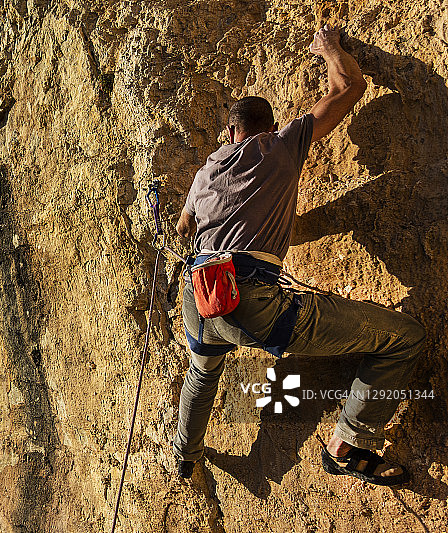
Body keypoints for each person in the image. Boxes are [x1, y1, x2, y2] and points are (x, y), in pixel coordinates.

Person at [171, 25, 425, 486]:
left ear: (230, 131)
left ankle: (185, 455)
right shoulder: (281, 146)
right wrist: (328, 48)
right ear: (266, 128)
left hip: (201, 296)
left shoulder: (206, 171)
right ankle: (347, 444)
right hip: (251, 301)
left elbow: (183, 227)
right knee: (403, 338)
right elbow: (349, 88)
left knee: (202, 373)